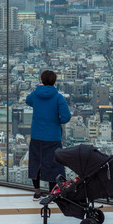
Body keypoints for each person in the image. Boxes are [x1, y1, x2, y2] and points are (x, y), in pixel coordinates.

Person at [25, 71, 71, 200]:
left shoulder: (36, 94)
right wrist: (56, 121)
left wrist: (38, 88)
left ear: (42, 80)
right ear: (54, 81)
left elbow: (28, 101)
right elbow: (66, 117)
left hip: (36, 134)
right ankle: (52, 192)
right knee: (53, 164)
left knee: (36, 161)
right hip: (53, 136)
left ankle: (37, 191)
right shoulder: (58, 97)